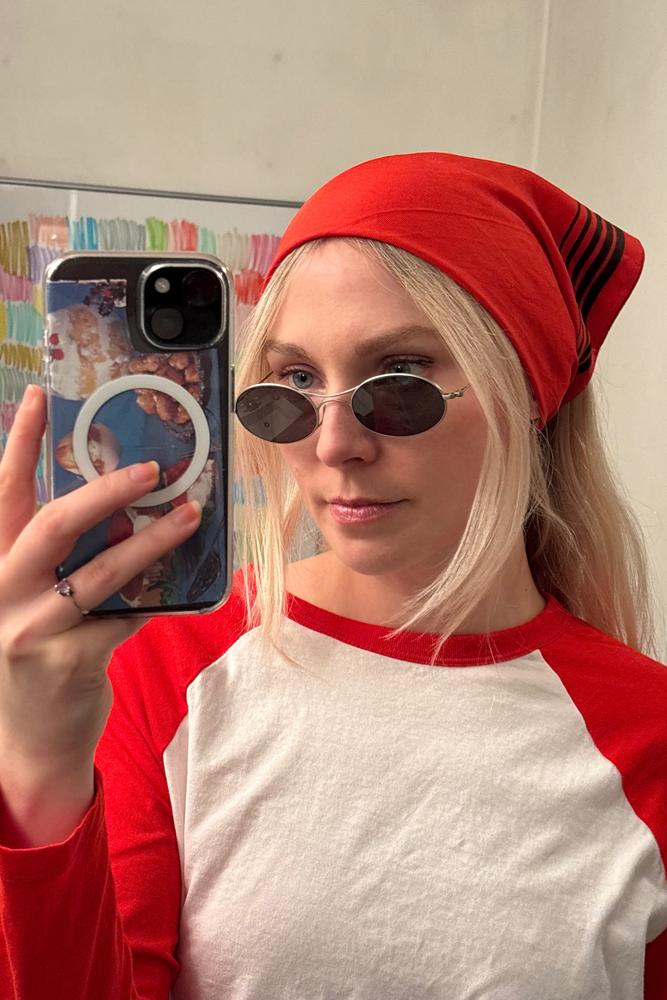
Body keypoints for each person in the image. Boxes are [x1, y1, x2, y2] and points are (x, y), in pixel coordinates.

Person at [0, 152, 665, 999]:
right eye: (295, 380)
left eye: (401, 377)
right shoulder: (162, 670)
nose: (332, 443)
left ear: (527, 394)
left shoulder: (646, 731)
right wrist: (37, 767)